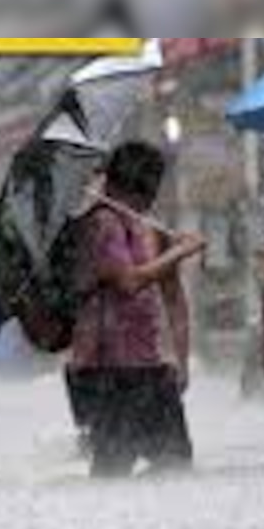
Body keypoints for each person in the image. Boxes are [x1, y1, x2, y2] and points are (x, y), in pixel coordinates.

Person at [66, 140, 207, 478]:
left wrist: (181, 361)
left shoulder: (151, 228)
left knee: (175, 466)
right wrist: (181, 252)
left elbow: (174, 299)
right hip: (105, 370)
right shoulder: (101, 224)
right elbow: (128, 282)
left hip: (147, 368)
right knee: (113, 471)